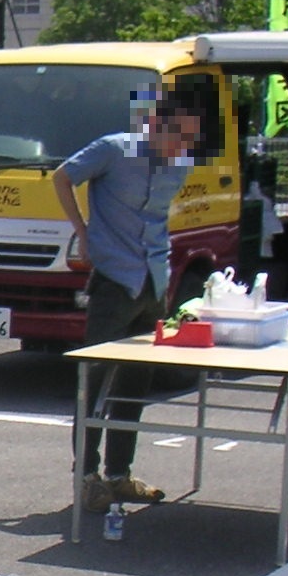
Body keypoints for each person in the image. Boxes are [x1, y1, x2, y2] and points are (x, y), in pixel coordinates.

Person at [52, 89, 206, 515]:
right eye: (178, 133)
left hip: (154, 282)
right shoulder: (114, 149)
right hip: (113, 280)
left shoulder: (182, 164)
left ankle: (119, 475)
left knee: (135, 384)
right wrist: (83, 232)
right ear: (155, 125)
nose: (183, 145)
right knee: (93, 382)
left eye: (190, 137)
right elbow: (62, 176)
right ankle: (88, 478)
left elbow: (158, 219)